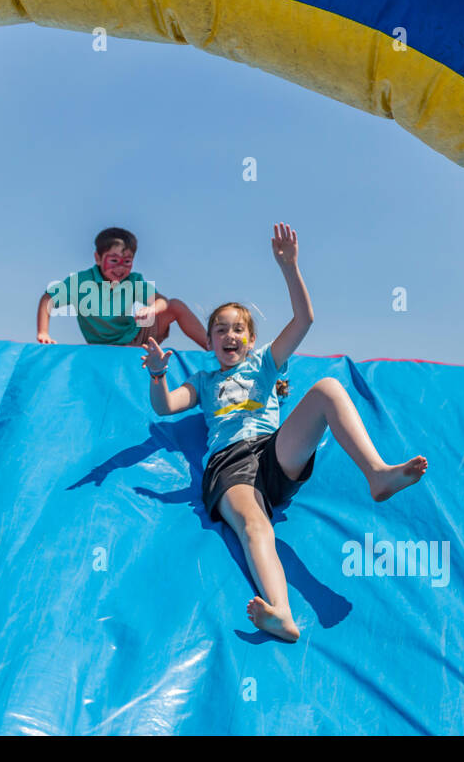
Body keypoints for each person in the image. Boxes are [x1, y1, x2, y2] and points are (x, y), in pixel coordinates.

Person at [143, 223, 428, 642]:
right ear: (210, 341)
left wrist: (290, 267)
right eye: (220, 329)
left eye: (237, 328)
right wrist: (158, 374)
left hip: (273, 452)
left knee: (328, 389)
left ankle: (377, 474)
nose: (229, 335)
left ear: (251, 339)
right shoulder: (204, 382)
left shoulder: (264, 364)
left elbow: (304, 319)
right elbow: (165, 406)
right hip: (230, 464)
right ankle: (283, 613)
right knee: (256, 526)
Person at [37, 227, 209, 348]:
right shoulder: (81, 282)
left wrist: (153, 309)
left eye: (126, 262)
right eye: (113, 261)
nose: (120, 268)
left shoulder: (133, 281)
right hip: (102, 346)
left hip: (135, 337)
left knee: (175, 305)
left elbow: (162, 301)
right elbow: (48, 299)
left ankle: (211, 348)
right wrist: (43, 332)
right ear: (98, 258)